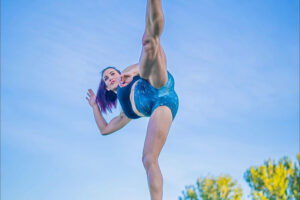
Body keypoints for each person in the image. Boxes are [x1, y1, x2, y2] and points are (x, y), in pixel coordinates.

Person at [86, 1, 178, 199]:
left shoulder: (127, 73)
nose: (111, 77)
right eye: (107, 79)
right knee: (148, 159)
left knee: (149, 41)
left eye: (113, 73)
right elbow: (105, 129)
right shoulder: (125, 113)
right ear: (108, 88)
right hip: (163, 105)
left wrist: (129, 74)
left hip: (156, 82)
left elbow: (138, 67)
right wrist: (95, 107)